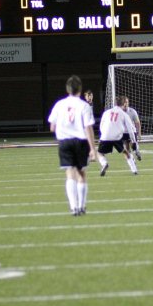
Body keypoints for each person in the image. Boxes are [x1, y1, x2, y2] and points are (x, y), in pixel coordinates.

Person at [48, 76, 97, 216]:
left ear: (67, 89)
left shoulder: (59, 104)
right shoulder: (84, 105)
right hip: (80, 141)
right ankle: (81, 206)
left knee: (70, 173)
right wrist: (92, 148)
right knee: (81, 174)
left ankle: (73, 207)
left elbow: (52, 127)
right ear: (80, 89)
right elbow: (88, 127)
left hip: (64, 142)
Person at [96, 97, 139, 176]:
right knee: (125, 152)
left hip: (105, 136)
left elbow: (101, 125)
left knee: (99, 153)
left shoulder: (107, 112)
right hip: (117, 137)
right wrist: (134, 141)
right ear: (123, 104)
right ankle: (134, 170)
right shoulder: (124, 114)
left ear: (115, 104)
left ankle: (104, 163)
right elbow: (131, 129)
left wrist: (102, 135)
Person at [120, 96, 143, 161]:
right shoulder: (119, 112)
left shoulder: (132, 111)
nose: (125, 104)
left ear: (128, 103)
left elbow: (137, 123)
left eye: (126, 102)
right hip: (123, 133)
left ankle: (137, 152)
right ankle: (132, 160)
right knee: (126, 149)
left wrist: (139, 134)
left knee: (134, 146)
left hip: (132, 132)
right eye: (124, 102)